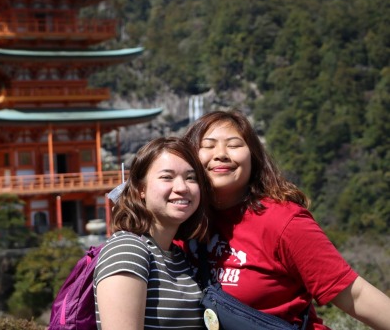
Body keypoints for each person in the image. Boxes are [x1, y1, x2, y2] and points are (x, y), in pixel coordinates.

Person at [182, 109, 390, 329]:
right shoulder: (181, 223)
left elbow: (355, 295)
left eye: (234, 145)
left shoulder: (283, 222)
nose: (221, 154)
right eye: (208, 145)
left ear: (254, 157)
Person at [93, 137, 214, 329]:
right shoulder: (128, 249)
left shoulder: (179, 256)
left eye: (191, 178)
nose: (182, 187)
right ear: (141, 189)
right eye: (167, 177)